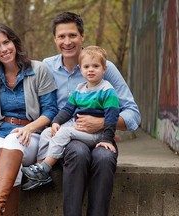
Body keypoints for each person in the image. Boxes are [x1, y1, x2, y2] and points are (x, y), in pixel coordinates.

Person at [22, 12, 141, 216]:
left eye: (72, 35)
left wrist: (102, 123)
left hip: (100, 136)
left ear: (82, 36)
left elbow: (133, 114)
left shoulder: (104, 67)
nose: (67, 42)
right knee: (78, 152)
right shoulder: (47, 67)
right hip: (67, 138)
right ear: (54, 39)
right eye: (61, 36)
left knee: (104, 157)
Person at [0, 23, 57, 216]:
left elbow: (51, 110)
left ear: (15, 42)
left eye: (6, 42)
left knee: (14, 141)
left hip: (32, 136)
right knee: (11, 169)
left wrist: (29, 129)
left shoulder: (39, 69)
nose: (3, 49)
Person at [22, 45, 120, 188]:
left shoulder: (107, 90)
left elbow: (111, 118)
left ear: (104, 69)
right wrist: (56, 122)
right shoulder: (80, 89)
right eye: (86, 66)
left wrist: (107, 139)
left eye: (96, 66)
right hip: (78, 128)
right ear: (80, 69)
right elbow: (68, 109)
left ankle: (46, 167)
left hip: (95, 135)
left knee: (64, 132)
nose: (91, 69)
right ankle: (40, 169)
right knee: (47, 133)